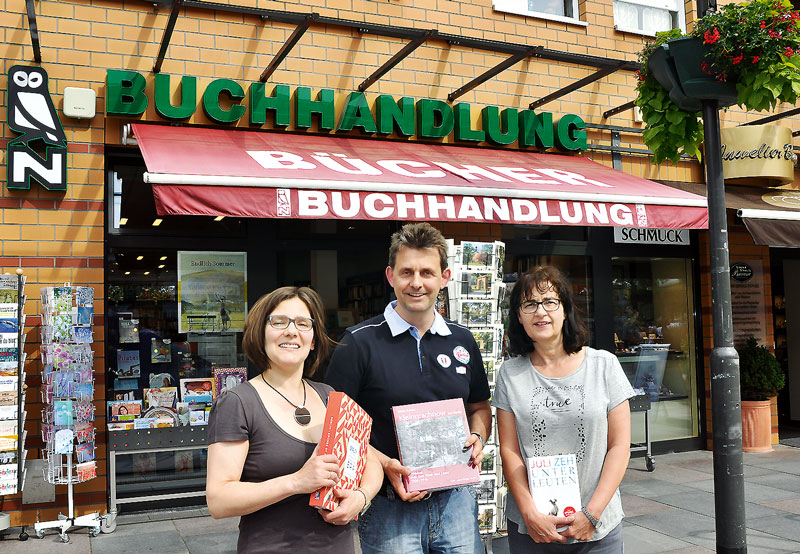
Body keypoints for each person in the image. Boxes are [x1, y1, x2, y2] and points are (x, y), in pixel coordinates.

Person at [325, 222, 492, 554]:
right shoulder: (358, 343)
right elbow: (336, 429)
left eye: (427, 273)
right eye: (407, 272)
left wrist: (479, 436)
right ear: (390, 276)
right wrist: (385, 464)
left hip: (456, 503)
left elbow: (479, 406)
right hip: (388, 508)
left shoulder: (463, 340)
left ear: (444, 277)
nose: (417, 283)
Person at [206, 286, 383, 554]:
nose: (291, 331)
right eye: (279, 322)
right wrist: (297, 482)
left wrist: (361, 498)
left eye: (303, 323)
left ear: (313, 340)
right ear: (260, 332)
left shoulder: (329, 396)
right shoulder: (238, 403)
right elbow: (219, 501)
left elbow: (370, 463)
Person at [493, 266, 635, 552]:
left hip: (598, 527)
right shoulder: (510, 374)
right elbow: (509, 450)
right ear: (519, 316)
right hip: (531, 528)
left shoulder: (604, 365)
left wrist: (592, 514)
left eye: (550, 302)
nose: (540, 311)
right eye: (529, 304)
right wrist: (530, 514)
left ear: (565, 310)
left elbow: (619, 446)